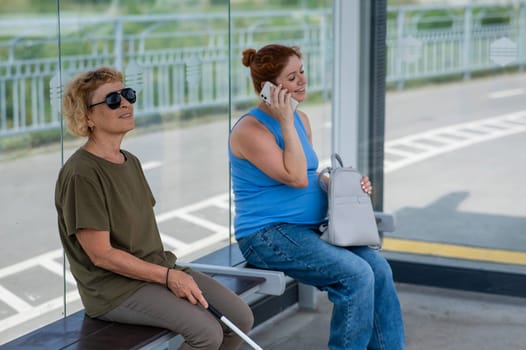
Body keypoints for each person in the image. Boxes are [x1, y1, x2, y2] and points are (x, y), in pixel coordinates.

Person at [55, 66, 253, 350]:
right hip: (114, 290)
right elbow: (102, 256)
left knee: (239, 319)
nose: (125, 103)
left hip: (156, 270)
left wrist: (169, 273)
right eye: (112, 100)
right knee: (207, 333)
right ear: (87, 116)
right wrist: (169, 277)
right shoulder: (81, 174)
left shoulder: (130, 161)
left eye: (128, 94)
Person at [229, 44, 405, 350]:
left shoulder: (302, 120)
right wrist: (284, 119)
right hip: (267, 234)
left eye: (302, 72)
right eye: (292, 77)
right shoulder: (250, 130)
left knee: (378, 269)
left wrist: (343, 184)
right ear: (267, 88)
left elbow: (309, 176)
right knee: (357, 275)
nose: (302, 81)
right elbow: (295, 177)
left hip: (308, 231)